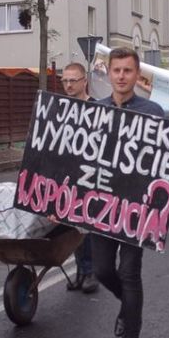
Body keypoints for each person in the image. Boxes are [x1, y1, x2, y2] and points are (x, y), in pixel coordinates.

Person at [93, 47, 169, 338]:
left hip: (137, 208)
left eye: (127, 71)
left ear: (138, 76)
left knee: (129, 274)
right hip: (100, 207)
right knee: (103, 270)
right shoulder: (96, 110)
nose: (121, 76)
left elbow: (166, 154)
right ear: (109, 74)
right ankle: (128, 307)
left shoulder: (152, 111)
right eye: (116, 70)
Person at [60, 63, 99, 294]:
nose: (68, 85)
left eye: (73, 80)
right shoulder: (60, 108)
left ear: (84, 81)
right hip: (67, 178)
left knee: (88, 227)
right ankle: (80, 271)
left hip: (91, 178)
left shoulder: (97, 109)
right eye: (65, 81)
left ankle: (91, 271)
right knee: (73, 228)